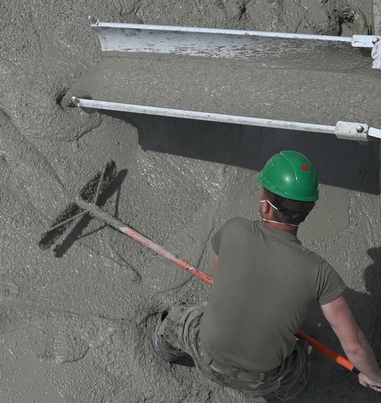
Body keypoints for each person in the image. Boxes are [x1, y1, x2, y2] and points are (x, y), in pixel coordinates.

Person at [153, 150, 381, 399]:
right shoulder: (320, 272)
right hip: (262, 381)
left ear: (265, 206)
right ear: (309, 208)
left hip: (206, 358)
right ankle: (288, 392)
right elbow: (354, 345)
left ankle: (166, 349)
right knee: (298, 363)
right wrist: (374, 377)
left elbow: (219, 284)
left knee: (178, 317)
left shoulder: (234, 229)